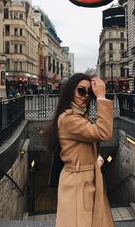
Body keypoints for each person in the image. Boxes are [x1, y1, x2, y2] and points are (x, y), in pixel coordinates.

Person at [44, 73, 114, 227]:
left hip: (83, 179)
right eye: (81, 91)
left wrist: (95, 159)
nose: (86, 96)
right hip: (78, 182)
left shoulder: (80, 116)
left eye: (89, 92)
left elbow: (82, 146)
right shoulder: (69, 119)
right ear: (70, 91)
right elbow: (103, 133)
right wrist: (101, 97)